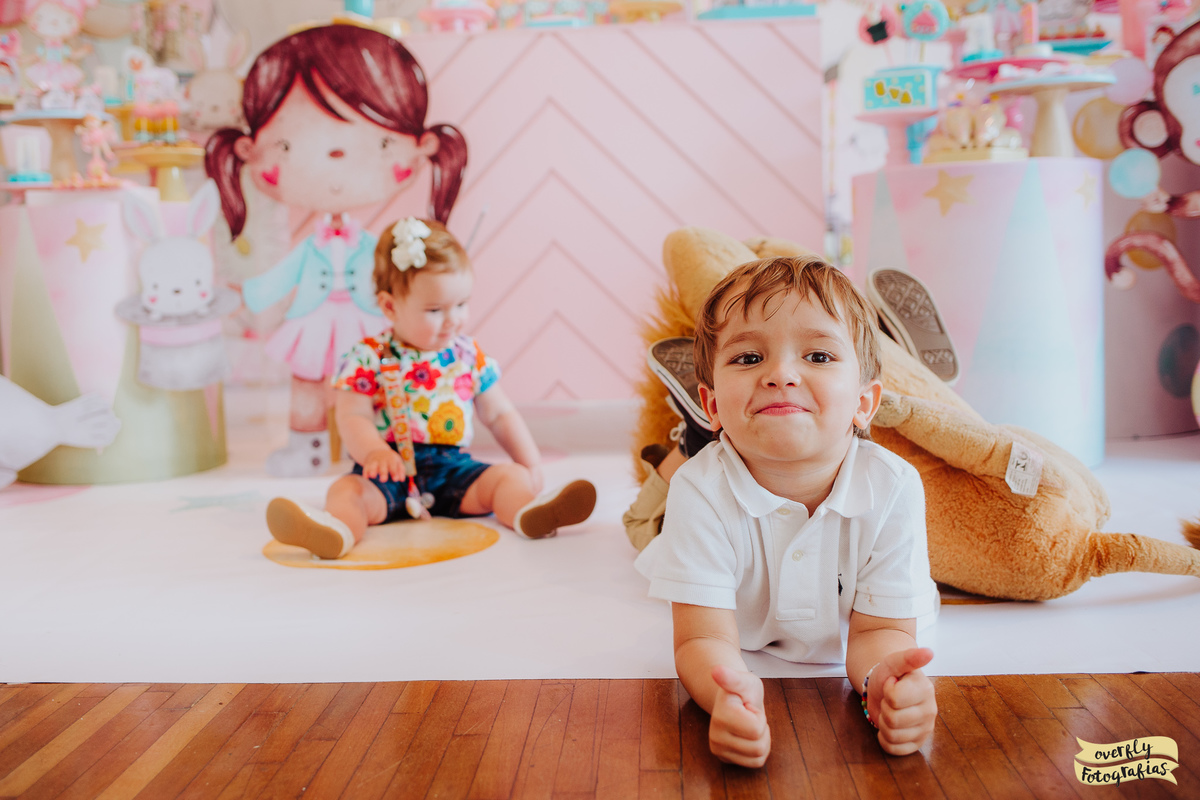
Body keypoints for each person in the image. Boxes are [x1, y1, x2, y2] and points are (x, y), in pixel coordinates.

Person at [634, 256, 939, 767]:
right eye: (749, 359)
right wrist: (725, 695)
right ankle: (655, 476)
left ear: (865, 403)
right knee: (645, 529)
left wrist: (882, 685)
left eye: (818, 357)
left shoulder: (893, 487)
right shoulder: (701, 489)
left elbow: (876, 634)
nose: (780, 375)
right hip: (685, 514)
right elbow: (701, 637)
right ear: (710, 405)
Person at [205, 24, 469, 477]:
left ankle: (375, 446)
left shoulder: (377, 247)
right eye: (287, 145)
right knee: (308, 382)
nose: (334, 162)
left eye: (379, 142)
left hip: (365, 320)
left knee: (375, 384)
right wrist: (247, 295)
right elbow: (285, 275)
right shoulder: (312, 246)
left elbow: (392, 278)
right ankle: (308, 451)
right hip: (314, 320)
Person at [264, 218, 597, 559]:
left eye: (461, 305)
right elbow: (352, 415)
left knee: (507, 479)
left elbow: (499, 414)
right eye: (436, 310)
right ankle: (338, 530)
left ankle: (530, 513)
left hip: (453, 469)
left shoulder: (466, 355)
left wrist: (529, 463)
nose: (453, 319)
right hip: (387, 469)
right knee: (347, 489)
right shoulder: (369, 356)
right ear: (390, 306)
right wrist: (374, 452)